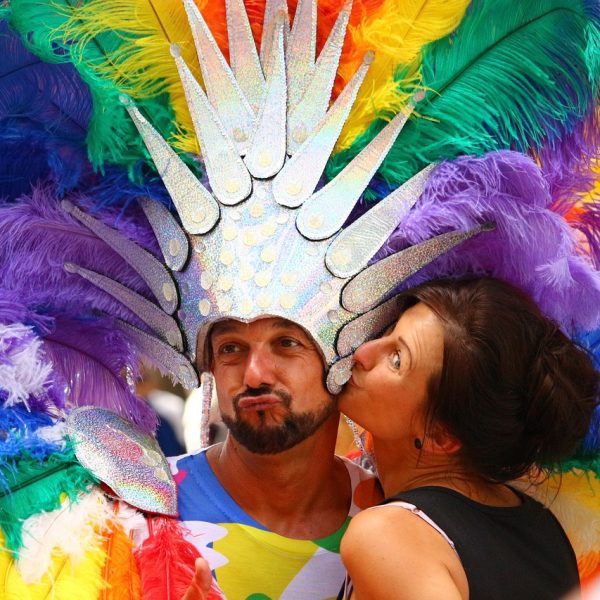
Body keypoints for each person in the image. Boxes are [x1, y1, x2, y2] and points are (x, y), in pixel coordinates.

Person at [337, 277, 599, 600]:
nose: (363, 352)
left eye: (397, 360)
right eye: (389, 331)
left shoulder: (387, 536)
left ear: (440, 435)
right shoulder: (546, 531)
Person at [172, 316, 380, 599]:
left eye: (287, 343)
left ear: (346, 360)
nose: (254, 376)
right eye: (230, 348)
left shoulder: (398, 518)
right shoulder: (137, 514)